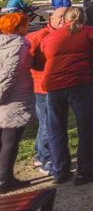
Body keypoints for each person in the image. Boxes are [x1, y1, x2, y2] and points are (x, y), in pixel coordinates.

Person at [35, 7, 93, 184]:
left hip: (54, 86)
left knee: (56, 129)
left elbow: (39, 62)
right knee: (86, 127)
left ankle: (60, 170)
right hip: (81, 83)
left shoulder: (50, 37)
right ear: (84, 17)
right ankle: (86, 169)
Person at [0, 13, 33, 193]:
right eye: (26, 25)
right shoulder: (18, 45)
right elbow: (9, 75)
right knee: (10, 140)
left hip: (7, 97)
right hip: (12, 98)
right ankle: (4, 179)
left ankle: (5, 175)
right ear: (19, 27)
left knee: (3, 139)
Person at [27, 8, 61, 176]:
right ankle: (46, 157)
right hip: (42, 85)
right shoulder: (38, 36)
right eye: (59, 17)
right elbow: (28, 62)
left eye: (65, 16)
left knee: (47, 121)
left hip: (57, 84)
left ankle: (40, 152)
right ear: (51, 18)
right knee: (49, 122)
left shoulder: (66, 35)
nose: (63, 21)